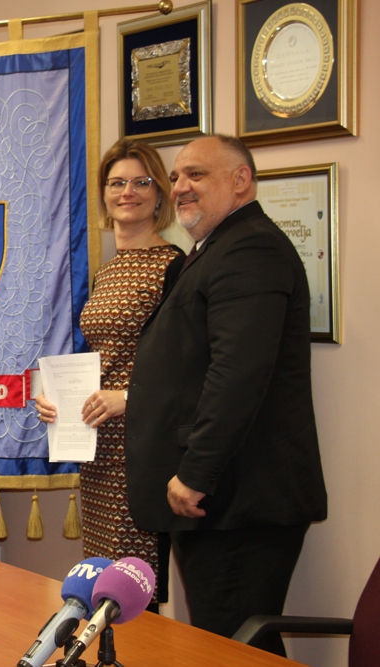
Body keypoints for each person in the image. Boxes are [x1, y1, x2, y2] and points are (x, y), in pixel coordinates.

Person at [124, 135, 327, 656]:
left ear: (241, 180)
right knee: (233, 645)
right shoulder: (216, 248)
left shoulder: (251, 248)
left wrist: (196, 473)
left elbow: (238, 373)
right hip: (221, 502)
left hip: (237, 499)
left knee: (234, 649)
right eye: (176, 177)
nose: (180, 187)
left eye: (196, 174)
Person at [36, 139, 183, 606]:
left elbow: (186, 367)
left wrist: (129, 398)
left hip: (142, 450)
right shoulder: (106, 272)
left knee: (133, 588)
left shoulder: (174, 268)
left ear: (159, 195)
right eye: (117, 183)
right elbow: (102, 359)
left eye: (141, 182)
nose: (128, 192)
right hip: (96, 447)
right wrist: (58, 403)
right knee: (101, 581)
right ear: (103, 194)